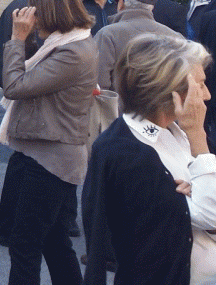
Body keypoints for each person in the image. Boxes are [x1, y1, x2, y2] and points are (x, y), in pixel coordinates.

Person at [84, 34, 216, 285]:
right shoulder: (128, 153)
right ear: (173, 91)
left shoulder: (178, 133)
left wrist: (199, 198)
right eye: (200, 85)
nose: (207, 95)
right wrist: (198, 135)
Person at [0, 0, 96, 285]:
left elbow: (14, 87)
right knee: (54, 242)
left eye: (35, 12)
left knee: (25, 245)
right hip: (48, 153)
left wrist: (16, 39)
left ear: (51, 13)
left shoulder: (72, 52)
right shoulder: (69, 43)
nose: (31, 19)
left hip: (51, 158)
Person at [92, 0, 175, 92]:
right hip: (163, 108)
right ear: (151, 8)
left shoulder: (107, 35)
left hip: (118, 108)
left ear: (121, 4)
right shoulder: (174, 37)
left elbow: (98, 85)